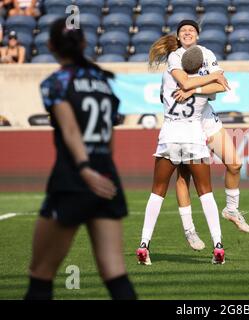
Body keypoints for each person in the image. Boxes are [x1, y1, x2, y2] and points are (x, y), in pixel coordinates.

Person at [24, 18, 136, 300]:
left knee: (40, 274)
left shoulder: (57, 82)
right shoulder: (104, 82)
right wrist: (100, 168)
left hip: (74, 177)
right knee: (115, 272)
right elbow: (109, 136)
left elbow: (71, 129)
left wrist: (85, 169)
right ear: (84, 44)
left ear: (50, 46)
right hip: (107, 178)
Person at [145, 20, 249, 252]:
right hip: (184, 123)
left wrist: (196, 89)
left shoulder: (206, 53)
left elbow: (222, 86)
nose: (187, 32)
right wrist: (206, 80)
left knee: (235, 163)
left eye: (191, 30)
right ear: (178, 36)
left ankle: (231, 209)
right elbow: (184, 81)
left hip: (205, 118)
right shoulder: (175, 56)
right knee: (184, 178)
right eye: (183, 30)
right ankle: (190, 230)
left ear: (198, 35)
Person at [136, 43, 227, 265]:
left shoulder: (169, 77)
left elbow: (174, 88)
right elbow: (221, 85)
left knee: (157, 192)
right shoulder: (206, 87)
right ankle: (218, 245)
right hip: (194, 138)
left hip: (169, 136)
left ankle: (144, 244)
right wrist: (210, 77)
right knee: (206, 193)